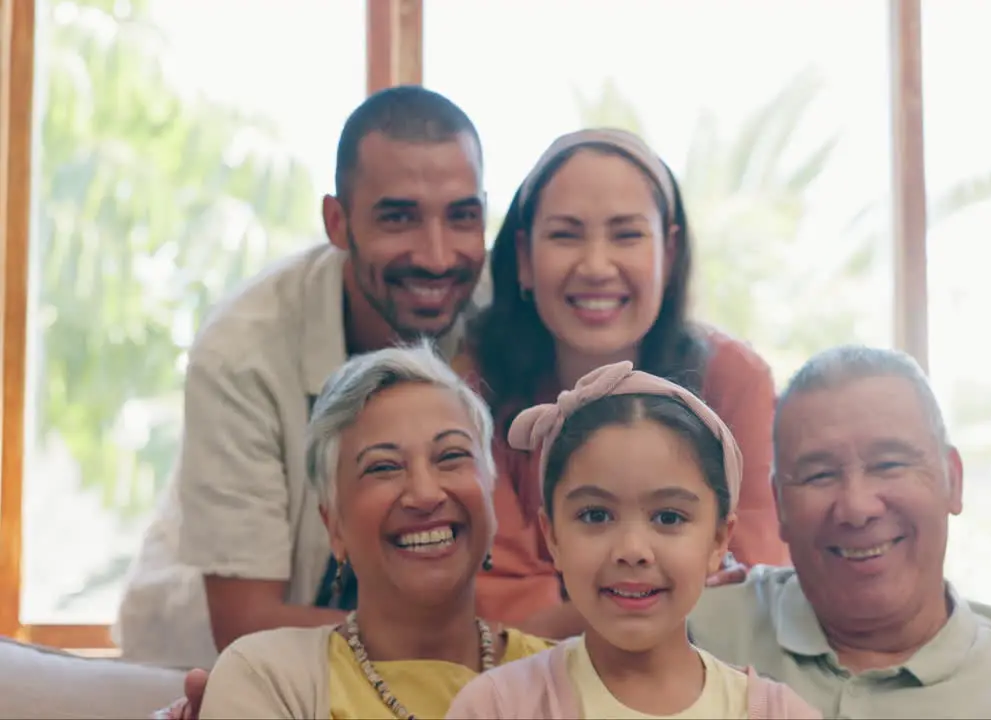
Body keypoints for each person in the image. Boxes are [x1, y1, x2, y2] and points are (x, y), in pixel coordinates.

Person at [116, 85, 491, 670]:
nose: (438, 255)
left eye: (463, 217)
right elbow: (245, 622)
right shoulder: (243, 351)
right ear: (337, 223)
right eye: (399, 218)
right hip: (201, 663)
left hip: (400, 656)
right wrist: (485, 640)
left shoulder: (493, 310)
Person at [686, 345, 991, 719]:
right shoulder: (688, 630)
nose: (857, 507)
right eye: (819, 474)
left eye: (889, 464)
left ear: (953, 481)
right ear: (780, 504)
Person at [460, 128, 787, 634]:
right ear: (524, 257)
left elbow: (753, 596)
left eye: (627, 235)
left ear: (669, 252)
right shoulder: (475, 385)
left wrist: (582, 610)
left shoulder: (733, 380)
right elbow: (499, 621)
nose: (595, 265)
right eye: (565, 235)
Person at [445, 361, 818, 719]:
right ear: (553, 536)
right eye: (596, 515)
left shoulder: (780, 712)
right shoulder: (496, 706)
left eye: (668, 517)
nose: (632, 551)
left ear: (719, 540)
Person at [197, 342, 551, 719]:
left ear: (491, 497)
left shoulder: (564, 676)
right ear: (334, 525)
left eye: (451, 456)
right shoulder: (268, 679)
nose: (425, 494)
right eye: (383, 467)